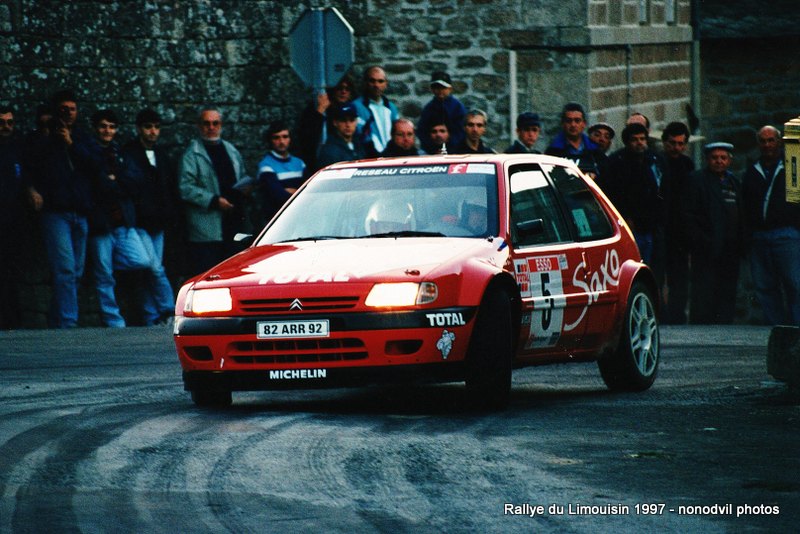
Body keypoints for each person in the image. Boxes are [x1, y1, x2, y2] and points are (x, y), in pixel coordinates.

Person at [25, 91, 94, 328]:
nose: (68, 113)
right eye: (63, 109)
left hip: (80, 209)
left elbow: (94, 165)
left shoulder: (82, 137)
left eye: (72, 109)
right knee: (65, 269)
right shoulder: (43, 139)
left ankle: (57, 319)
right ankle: (68, 322)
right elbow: (31, 166)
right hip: (56, 211)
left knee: (76, 271)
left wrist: (71, 144)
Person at [120, 108, 177, 326]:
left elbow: (167, 188)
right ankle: (166, 310)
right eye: (148, 127)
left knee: (150, 269)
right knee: (153, 268)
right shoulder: (130, 153)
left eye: (156, 127)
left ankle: (152, 315)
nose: (153, 132)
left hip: (157, 222)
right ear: (138, 129)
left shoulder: (161, 155)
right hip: (140, 221)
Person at [85, 109, 142, 328]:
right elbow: (98, 184)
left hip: (121, 221)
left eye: (111, 126)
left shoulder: (120, 153)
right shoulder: (90, 152)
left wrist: (115, 180)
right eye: (103, 126)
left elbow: (135, 182)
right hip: (101, 222)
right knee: (104, 275)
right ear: (96, 128)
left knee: (141, 260)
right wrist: (114, 182)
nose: (107, 131)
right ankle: (112, 319)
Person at [179, 107, 250, 275]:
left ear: (221, 125)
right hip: (208, 227)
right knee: (209, 272)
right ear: (199, 126)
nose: (211, 127)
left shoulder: (231, 150)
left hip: (233, 222)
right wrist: (213, 200)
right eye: (206, 123)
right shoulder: (191, 155)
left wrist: (246, 188)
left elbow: (242, 175)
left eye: (215, 123)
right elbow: (185, 188)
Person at [742, 126, 800, 325]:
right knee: (765, 286)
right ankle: (775, 328)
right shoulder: (752, 171)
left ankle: (796, 329)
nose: (767, 145)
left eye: (771, 140)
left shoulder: (791, 167)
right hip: (759, 237)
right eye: (763, 141)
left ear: (779, 142)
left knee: (794, 284)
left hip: (786, 234)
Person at [598, 123, 669, 277]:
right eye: (635, 139)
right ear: (627, 142)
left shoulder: (655, 159)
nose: (639, 143)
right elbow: (612, 195)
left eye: (642, 139)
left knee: (655, 271)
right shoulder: (615, 163)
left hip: (653, 225)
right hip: (630, 225)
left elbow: (662, 189)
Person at [685, 142, 743, 324]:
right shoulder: (697, 180)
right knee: (704, 292)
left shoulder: (734, 182)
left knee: (727, 291)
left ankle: (725, 326)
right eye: (715, 158)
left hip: (730, 248)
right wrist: (701, 240)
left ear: (729, 161)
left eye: (723, 158)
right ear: (707, 160)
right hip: (707, 248)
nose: (719, 161)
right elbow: (689, 215)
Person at [660, 121, 695, 324]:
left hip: (680, 230)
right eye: (673, 143)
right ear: (665, 143)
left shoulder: (687, 164)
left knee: (679, 277)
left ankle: (677, 317)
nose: (677, 148)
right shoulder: (658, 162)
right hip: (662, 226)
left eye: (681, 144)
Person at [294, 74, 355, 172]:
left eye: (347, 89)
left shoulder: (352, 110)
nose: (343, 92)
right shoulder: (317, 108)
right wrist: (320, 111)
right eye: (340, 88)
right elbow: (307, 135)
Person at [0, 105, 25, 329]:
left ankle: (10, 320)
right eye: (2, 122)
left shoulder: (17, 148)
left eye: (10, 122)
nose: (6, 127)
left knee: (10, 272)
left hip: (13, 220)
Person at [256, 120, 306, 223]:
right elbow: (278, 196)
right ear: (270, 140)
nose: (281, 141)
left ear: (290, 139)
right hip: (277, 220)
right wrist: (298, 192)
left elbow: (308, 191)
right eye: (276, 137)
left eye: (285, 137)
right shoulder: (266, 166)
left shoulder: (299, 163)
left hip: (299, 216)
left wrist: (290, 191)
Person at [545, 102, 605, 179]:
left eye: (577, 121)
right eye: (569, 121)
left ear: (584, 124)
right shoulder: (553, 152)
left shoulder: (595, 151)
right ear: (563, 124)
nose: (573, 125)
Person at [416, 71, 467, 154]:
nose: (439, 90)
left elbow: (461, 132)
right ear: (432, 89)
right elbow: (422, 132)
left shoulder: (458, 108)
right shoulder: (428, 108)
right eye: (436, 87)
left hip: (455, 150)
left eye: (443, 87)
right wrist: (433, 149)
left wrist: (448, 149)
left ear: (450, 89)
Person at [353, 66, 399, 157]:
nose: (376, 85)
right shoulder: (356, 106)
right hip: (367, 157)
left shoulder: (391, 108)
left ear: (386, 84)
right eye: (372, 81)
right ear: (366, 82)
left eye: (380, 81)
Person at [316, 104, 367, 168]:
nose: (348, 125)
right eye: (343, 120)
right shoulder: (329, 150)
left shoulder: (359, 145)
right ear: (335, 123)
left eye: (351, 120)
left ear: (356, 122)